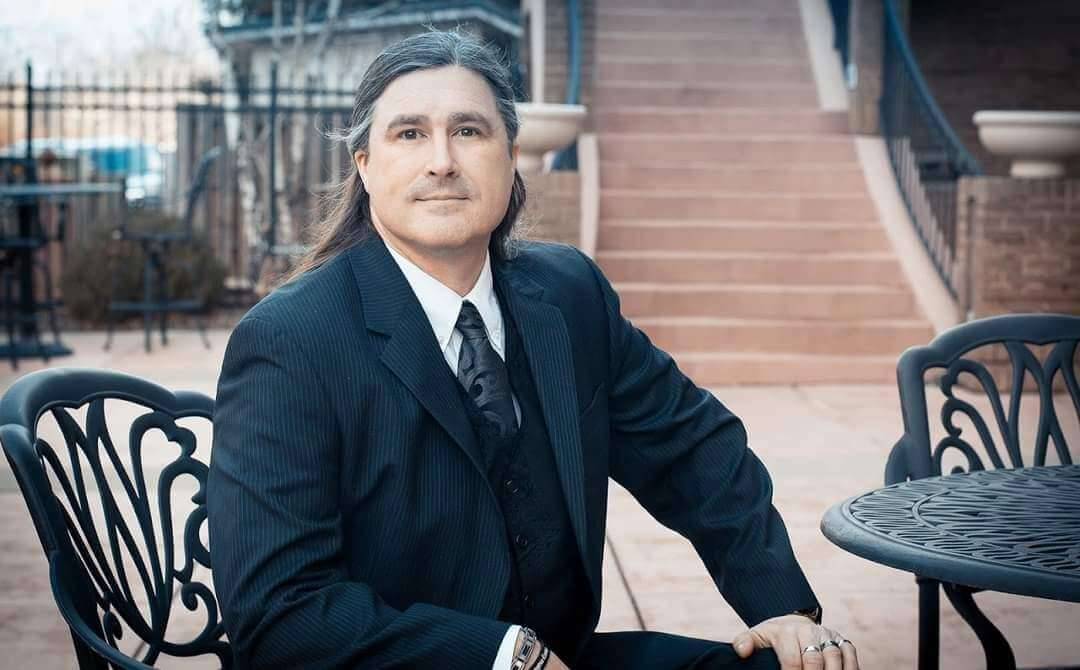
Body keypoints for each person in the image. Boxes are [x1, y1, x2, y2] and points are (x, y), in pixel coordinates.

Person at [207, 29, 860, 670]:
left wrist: (780, 609)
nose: (441, 160)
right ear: (365, 165)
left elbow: (694, 450)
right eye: (410, 134)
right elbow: (279, 612)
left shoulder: (569, 293)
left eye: (469, 130)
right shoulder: (289, 341)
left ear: (510, 154)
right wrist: (500, 657)